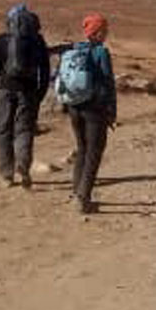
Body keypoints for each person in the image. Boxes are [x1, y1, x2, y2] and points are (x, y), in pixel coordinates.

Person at [0, 4, 51, 188]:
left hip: (5, 90)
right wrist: (39, 95)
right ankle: (23, 166)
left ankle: (6, 174)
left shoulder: (1, 40)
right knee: (25, 130)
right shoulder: (38, 41)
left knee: (4, 131)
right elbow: (45, 72)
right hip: (29, 92)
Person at [57, 13, 117, 214]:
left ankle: (77, 191)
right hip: (94, 110)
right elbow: (108, 83)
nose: (107, 33)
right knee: (94, 151)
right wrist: (111, 112)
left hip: (74, 107)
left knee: (82, 148)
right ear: (97, 33)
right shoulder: (101, 52)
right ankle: (84, 198)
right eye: (105, 30)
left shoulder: (74, 50)